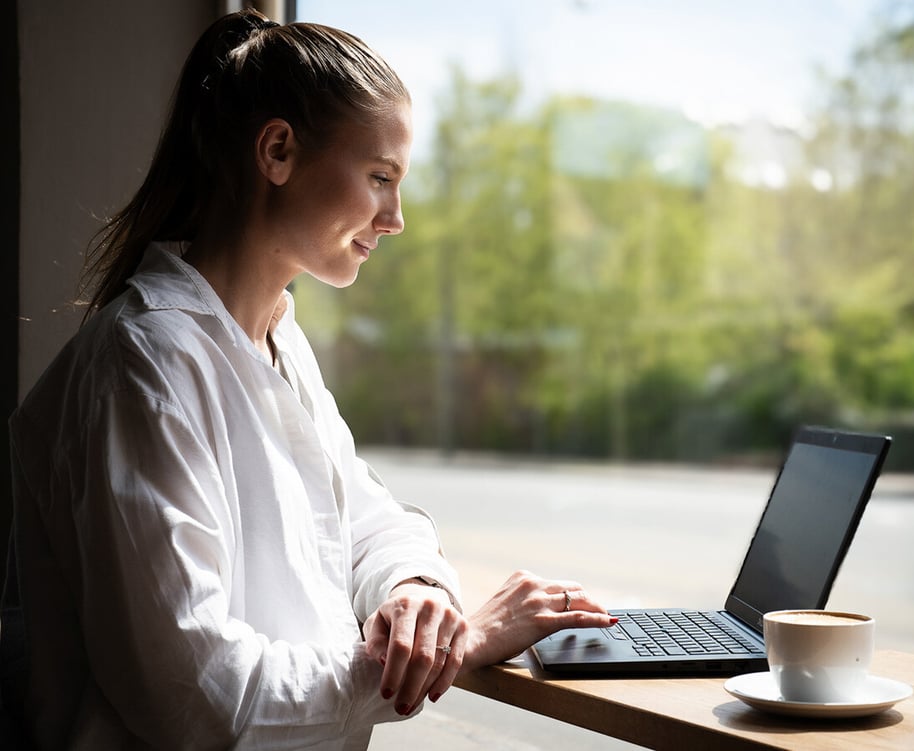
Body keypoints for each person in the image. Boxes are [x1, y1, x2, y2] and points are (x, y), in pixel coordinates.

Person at [3, 9, 616, 750]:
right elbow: (196, 695)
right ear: (279, 150)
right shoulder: (148, 360)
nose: (395, 218)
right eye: (380, 177)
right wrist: (462, 645)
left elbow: (367, 519)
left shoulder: (275, 340)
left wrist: (416, 594)